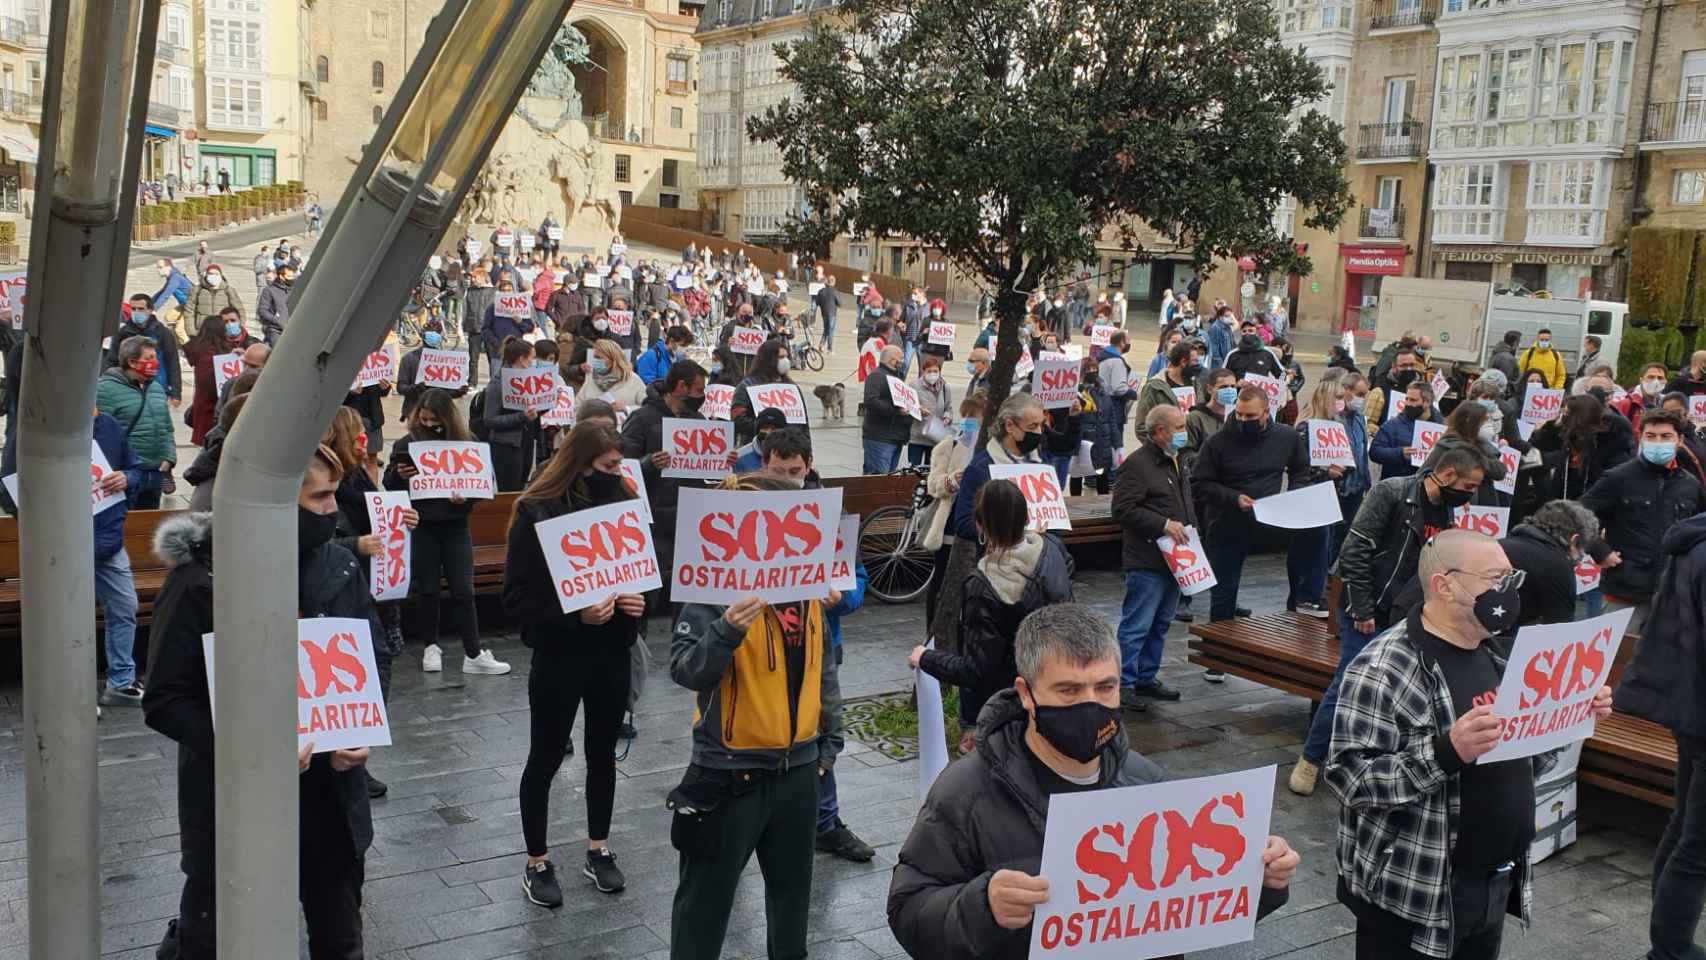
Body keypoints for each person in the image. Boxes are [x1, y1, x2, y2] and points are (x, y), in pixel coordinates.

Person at [888, 604, 1299, 959]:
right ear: (1026, 694)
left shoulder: (1148, 783)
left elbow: (1189, 904)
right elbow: (909, 908)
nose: (1091, 704)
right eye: (1068, 690)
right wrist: (981, 906)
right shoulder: (966, 791)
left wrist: (1258, 878)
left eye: (1105, 687)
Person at [1328, 528, 1613, 959]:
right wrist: (1446, 752)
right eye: (1494, 578)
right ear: (1444, 586)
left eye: (1510, 577)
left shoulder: (1499, 656)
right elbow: (1351, 780)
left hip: (1494, 884)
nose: (1508, 590)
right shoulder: (1382, 668)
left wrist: (1570, 715)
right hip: (1416, 892)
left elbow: (1526, 760)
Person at [144, 445, 377, 959]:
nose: (331, 509)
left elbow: (371, 659)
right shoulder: (199, 584)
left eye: (334, 496)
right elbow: (163, 700)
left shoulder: (339, 565)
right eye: (318, 497)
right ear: (273, 503)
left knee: (339, 939)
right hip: (231, 802)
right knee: (215, 940)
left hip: (330, 800)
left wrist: (357, 734)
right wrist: (248, 748)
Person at [667, 475, 844, 960]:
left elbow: (823, 667)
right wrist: (725, 630)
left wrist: (830, 740)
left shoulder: (807, 586)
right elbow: (685, 670)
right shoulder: (712, 590)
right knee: (704, 903)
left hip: (799, 772)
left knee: (792, 903)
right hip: (728, 773)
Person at [504, 422, 647, 906]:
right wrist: (574, 613)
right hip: (559, 656)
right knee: (544, 757)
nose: (619, 473)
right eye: (610, 466)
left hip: (610, 653)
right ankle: (537, 860)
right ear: (582, 462)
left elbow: (643, 576)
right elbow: (517, 599)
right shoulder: (535, 510)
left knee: (603, 754)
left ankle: (599, 848)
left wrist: (637, 603)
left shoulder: (624, 503)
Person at [1289, 447, 1487, 797]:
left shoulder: (1446, 511)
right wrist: (1363, 610)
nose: (1471, 493)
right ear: (1449, 474)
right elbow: (1356, 549)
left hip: (1404, 613)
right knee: (1347, 684)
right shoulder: (1393, 492)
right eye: (1470, 484)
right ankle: (1311, 759)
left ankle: (1366, 755)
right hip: (1367, 608)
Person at [911, 478, 1073, 752]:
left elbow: (978, 670)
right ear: (1025, 517)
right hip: (1055, 691)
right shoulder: (1051, 549)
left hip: (1007, 712)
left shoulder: (984, 586)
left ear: (979, 526)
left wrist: (926, 658)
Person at [1613, 507, 1706, 960]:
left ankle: (1666, 942)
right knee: (1697, 848)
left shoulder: (1694, 540)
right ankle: (1670, 950)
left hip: (1690, 709)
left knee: (1683, 829)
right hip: (1698, 709)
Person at [383, 389, 511, 676]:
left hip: (455, 527)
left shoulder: (468, 444)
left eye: (433, 420)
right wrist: (398, 475)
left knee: (464, 591)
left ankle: (473, 651)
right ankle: (431, 646)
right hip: (424, 528)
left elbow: (483, 486)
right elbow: (390, 486)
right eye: (423, 419)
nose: (427, 425)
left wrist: (465, 498)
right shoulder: (407, 443)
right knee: (428, 589)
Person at [1191, 385, 1310, 624]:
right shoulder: (1218, 442)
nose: (1244, 420)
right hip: (1227, 522)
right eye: (1239, 415)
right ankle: (1219, 643)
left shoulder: (1287, 437)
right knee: (1224, 591)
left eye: (1251, 416)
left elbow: (1301, 470)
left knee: (1309, 546)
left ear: (1267, 413)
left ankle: (1301, 614)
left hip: (1270, 518)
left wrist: (1293, 496)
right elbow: (1199, 483)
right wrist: (1233, 498)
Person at [1580, 408, 1706, 632]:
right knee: (1617, 661)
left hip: (1675, 595)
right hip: (1626, 592)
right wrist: (1599, 550)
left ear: (1680, 440)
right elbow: (1578, 515)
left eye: (1666, 436)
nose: (1658, 442)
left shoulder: (1691, 485)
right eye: (1651, 436)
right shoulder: (1618, 477)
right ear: (1641, 438)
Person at [1112, 403, 1195, 711]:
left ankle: (1146, 677)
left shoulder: (1176, 459)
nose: (1184, 433)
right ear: (1160, 432)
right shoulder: (1137, 464)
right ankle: (1123, 684)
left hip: (1176, 560)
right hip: (1147, 559)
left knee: (1161, 623)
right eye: (1179, 428)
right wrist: (1162, 524)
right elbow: (1122, 510)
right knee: (1136, 626)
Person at [619, 358, 709, 599]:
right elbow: (622, 465)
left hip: (691, 518)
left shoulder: (698, 421)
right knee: (649, 592)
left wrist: (722, 461)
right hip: (654, 521)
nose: (702, 396)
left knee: (691, 590)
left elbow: (708, 471)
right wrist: (649, 463)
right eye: (699, 390)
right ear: (681, 387)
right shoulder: (642, 418)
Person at [921, 395, 986, 629]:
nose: (969, 423)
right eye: (966, 417)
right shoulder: (948, 446)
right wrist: (952, 481)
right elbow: (933, 484)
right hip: (951, 522)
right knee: (942, 576)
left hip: (981, 522)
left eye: (975, 419)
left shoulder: (990, 450)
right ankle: (933, 629)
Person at [96, 336, 174, 510]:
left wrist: (169, 457)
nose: (155, 362)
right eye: (149, 358)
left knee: (147, 529)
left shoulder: (156, 388)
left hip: (155, 474)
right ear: (132, 361)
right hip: (125, 477)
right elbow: (98, 434)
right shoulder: (105, 390)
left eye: (155, 357)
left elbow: (167, 426)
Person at [1501, 500, 1600, 628]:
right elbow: (1559, 631)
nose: (1580, 558)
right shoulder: (1559, 566)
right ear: (1574, 540)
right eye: (1583, 550)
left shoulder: (1500, 544)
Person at [1530, 394, 1636, 503]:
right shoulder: (1570, 443)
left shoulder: (1610, 447)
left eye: (1566, 414)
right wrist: (1552, 426)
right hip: (1565, 511)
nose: (1562, 418)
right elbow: (1537, 444)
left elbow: (1608, 490)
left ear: (1580, 418)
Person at [182, 308, 257, 446]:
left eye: (232, 321)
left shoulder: (252, 343)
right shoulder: (213, 354)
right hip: (215, 413)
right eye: (225, 323)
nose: (229, 326)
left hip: (211, 412)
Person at [476, 337, 541, 492]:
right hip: (506, 447)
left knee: (520, 487)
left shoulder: (527, 381)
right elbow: (490, 420)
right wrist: (522, 416)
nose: (533, 363)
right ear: (521, 359)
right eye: (531, 358)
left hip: (524, 443)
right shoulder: (498, 384)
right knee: (509, 491)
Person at [1419, 399, 1507, 507]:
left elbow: (1499, 472)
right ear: (1471, 422)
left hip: (1483, 509)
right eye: (1484, 421)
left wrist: (1477, 458)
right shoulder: (1448, 445)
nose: (1487, 425)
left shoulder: (1482, 445)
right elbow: (1422, 477)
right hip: (1455, 506)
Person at [108, 293, 185, 409]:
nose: (136, 312)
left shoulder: (163, 333)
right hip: (128, 390)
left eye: (141, 309)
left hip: (157, 389)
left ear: (150, 310)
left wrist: (176, 393)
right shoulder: (122, 333)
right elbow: (112, 361)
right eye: (133, 308)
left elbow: (172, 362)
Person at [1369, 381, 1436, 481]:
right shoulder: (1392, 425)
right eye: (1407, 399)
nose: (1407, 403)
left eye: (1413, 400)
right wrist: (1400, 453)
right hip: (1396, 486)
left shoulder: (1440, 427)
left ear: (1427, 402)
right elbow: (1375, 452)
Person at [575, 337, 647, 414]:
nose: (595, 361)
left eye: (599, 358)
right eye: (594, 357)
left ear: (613, 359)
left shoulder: (633, 380)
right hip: (593, 424)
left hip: (623, 425)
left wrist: (626, 409)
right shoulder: (591, 378)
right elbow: (577, 406)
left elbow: (647, 408)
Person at [1133, 340, 1194, 426]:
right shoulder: (1154, 387)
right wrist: (1164, 437)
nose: (1198, 366)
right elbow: (1141, 426)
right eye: (1194, 362)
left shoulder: (1195, 384)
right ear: (1183, 362)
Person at [907, 354, 953, 467]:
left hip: (935, 437)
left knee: (931, 468)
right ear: (923, 371)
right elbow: (908, 406)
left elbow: (949, 408)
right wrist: (919, 410)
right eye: (929, 371)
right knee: (914, 467)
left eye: (935, 371)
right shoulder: (914, 386)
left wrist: (947, 417)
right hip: (918, 436)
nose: (932, 374)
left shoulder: (944, 387)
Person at [185, 264, 245, 336]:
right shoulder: (197, 290)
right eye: (210, 274)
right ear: (206, 275)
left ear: (220, 275)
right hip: (203, 331)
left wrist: (239, 328)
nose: (213, 276)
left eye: (216, 274)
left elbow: (239, 310)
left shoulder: (228, 290)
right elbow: (189, 310)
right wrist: (191, 331)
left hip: (223, 331)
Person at [256, 261, 294, 344]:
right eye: (289, 276)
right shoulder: (269, 290)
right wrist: (277, 320)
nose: (291, 279)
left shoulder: (294, 290)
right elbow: (262, 311)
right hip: (275, 331)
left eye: (292, 276)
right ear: (281, 276)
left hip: (293, 329)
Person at [152, 257, 191, 337]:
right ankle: (176, 343)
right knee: (168, 318)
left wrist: (154, 310)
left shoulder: (175, 278)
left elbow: (166, 294)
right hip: (184, 305)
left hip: (191, 306)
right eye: (157, 268)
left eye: (160, 267)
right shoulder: (171, 277)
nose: (158, 270)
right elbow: (162, 291)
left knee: (179, 329)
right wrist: (148, 302)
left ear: (168, 267)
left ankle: (188, 348)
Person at [813, 275, 840, 352]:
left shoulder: (821, 291)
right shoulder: (835, 291)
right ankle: (829, 348)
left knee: (826, 329)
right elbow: (840, 303)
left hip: (824, 312)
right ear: (834, 282)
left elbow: (817, 302)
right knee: (830, 330)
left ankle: (821, 344)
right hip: (832, 313)